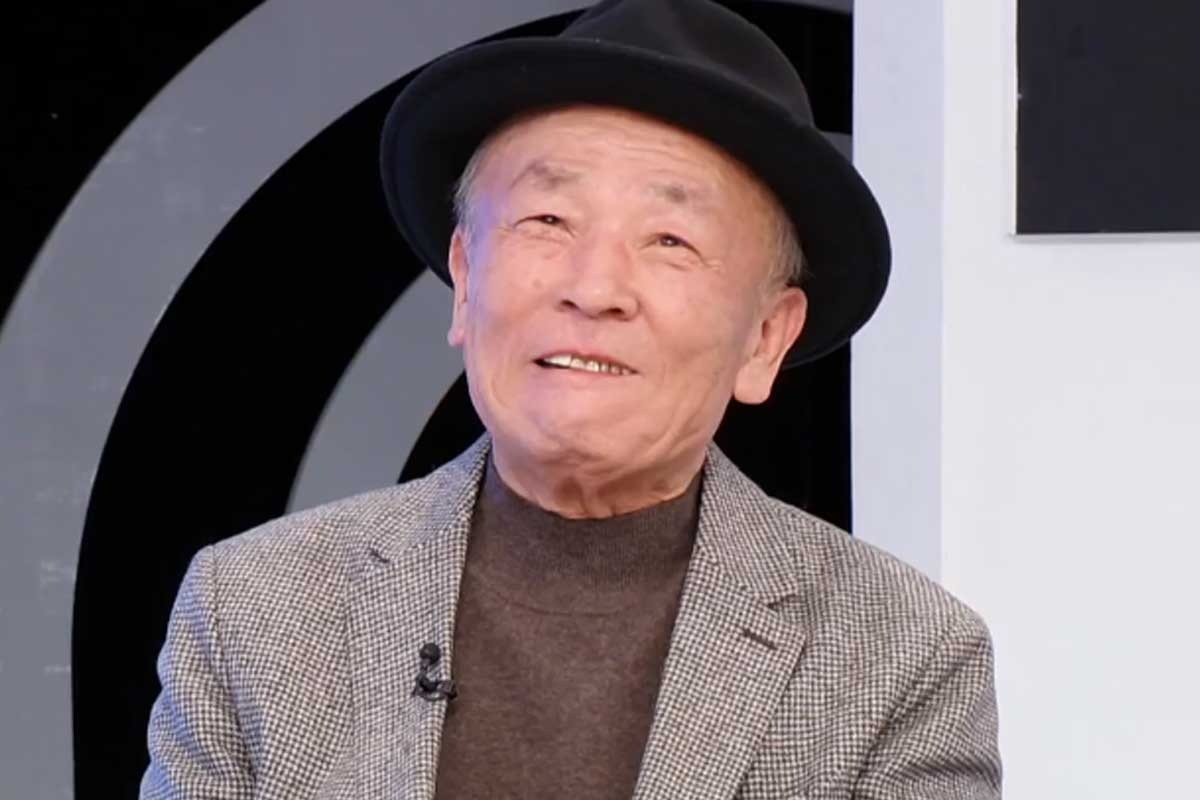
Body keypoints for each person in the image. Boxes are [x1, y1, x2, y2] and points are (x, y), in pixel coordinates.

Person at [141, 0, 1001, 797]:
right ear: (466, 278)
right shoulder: (253, 610)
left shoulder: (904, 656)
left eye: (671, 239)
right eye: (547, 221)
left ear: (765, 338)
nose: (594, 289)